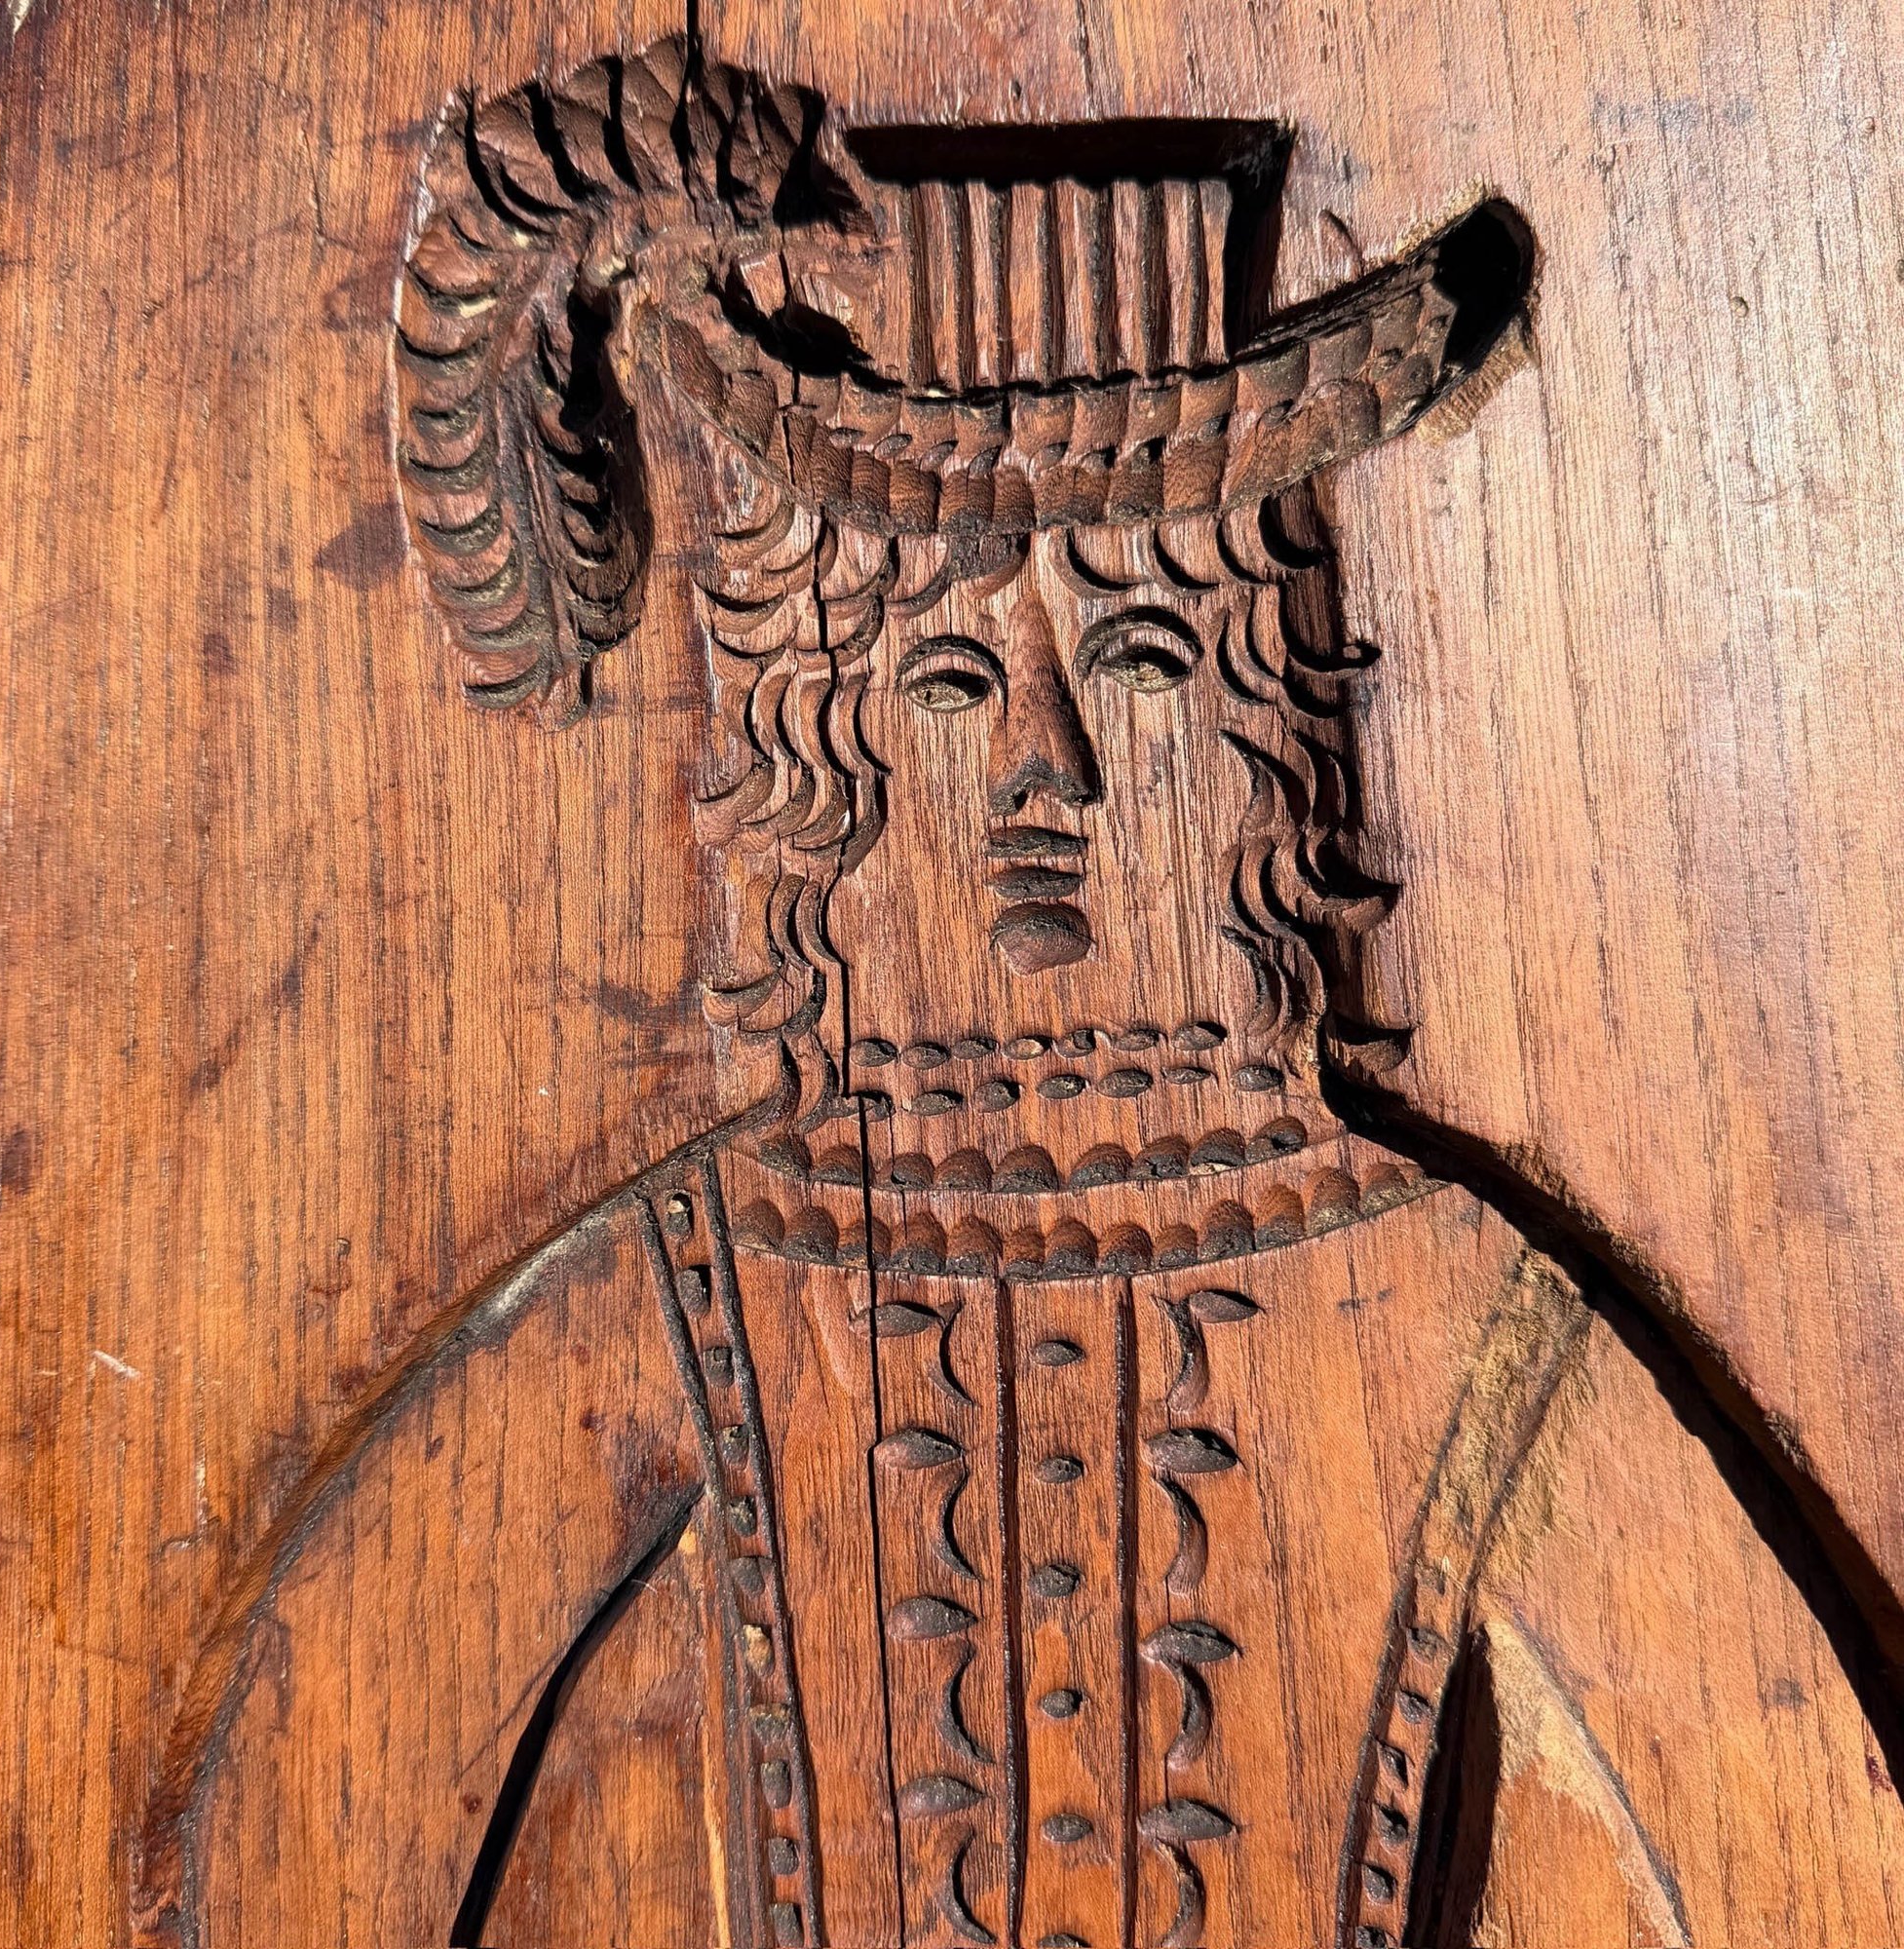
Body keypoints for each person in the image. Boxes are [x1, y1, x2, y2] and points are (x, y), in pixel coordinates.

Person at [136, 37, 1904, 1949]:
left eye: (1137, 660)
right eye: (952, 683)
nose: (1040, 770)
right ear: (826, 740)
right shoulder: (709, 1282)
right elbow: (308, 1797)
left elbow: (1796, 1811)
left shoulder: (1437, 1293)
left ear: (1259, 727)